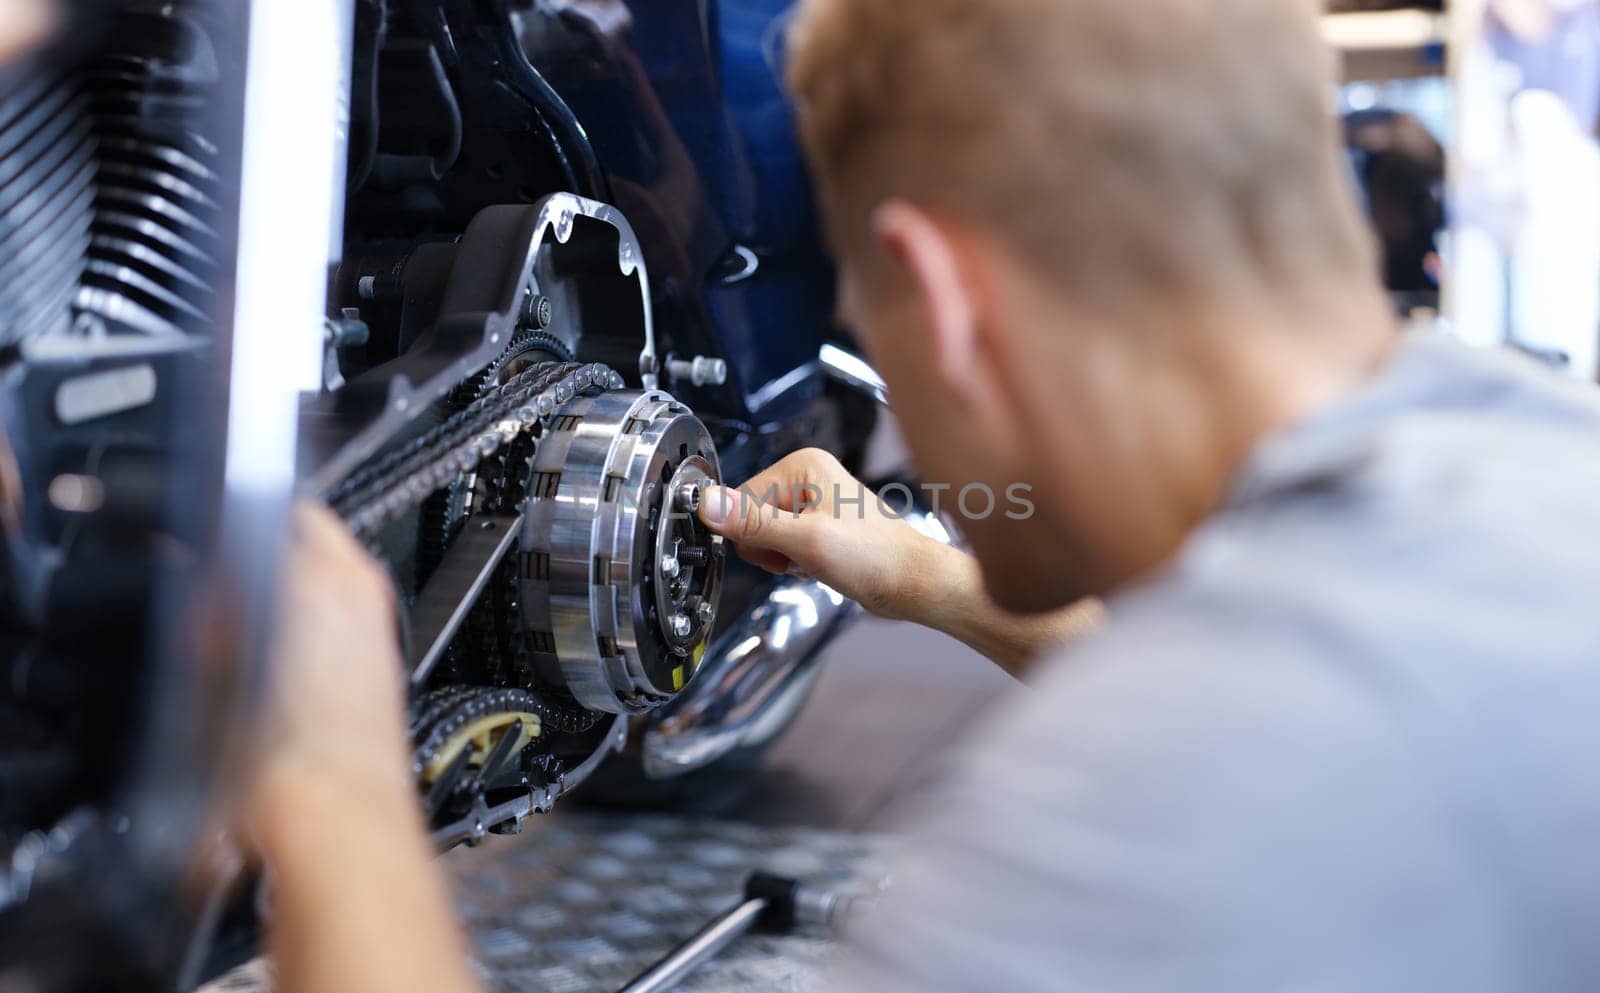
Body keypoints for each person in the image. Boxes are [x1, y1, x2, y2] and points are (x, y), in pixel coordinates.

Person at [234, 0, 1600, 989]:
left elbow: (1231, 738)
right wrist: (925, 573)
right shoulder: (1534, 473)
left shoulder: (1142, 819)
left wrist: (333, 782)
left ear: (939, 306)